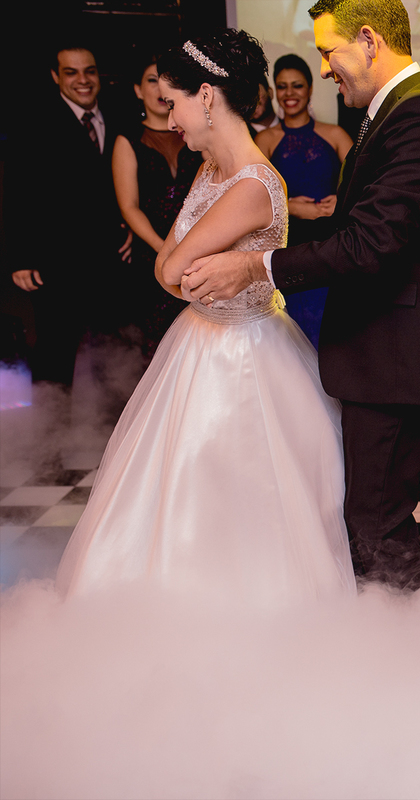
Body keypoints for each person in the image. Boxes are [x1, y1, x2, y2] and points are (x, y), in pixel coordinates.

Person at [185, 0, 420, 593]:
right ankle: (396, 650)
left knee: (375, 521)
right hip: (387, 353)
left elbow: (370, 245)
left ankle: (407, 653)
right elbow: (359, 226)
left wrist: (255, 266)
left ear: (369, 40)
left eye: (329, 51)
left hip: (403, 357)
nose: (324, 69)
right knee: (371, 516)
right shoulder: (393, 111)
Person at [55, 31, 356, 602]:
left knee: (234, 498)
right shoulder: (209, 171)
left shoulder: (254, 185)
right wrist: (177, 265)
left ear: (208, 97)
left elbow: (171, 270)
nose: (171, 121)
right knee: (168, 491)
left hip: (245, 357)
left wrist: (177, 264)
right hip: (197, 343)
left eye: (175, 103)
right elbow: (166, 273)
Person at [10, 45, 133, 390]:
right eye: (71, 72)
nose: (83, 80)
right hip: (55, 262)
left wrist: (131, 229)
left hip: (111, 259)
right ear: (55, 76)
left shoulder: (120, 113)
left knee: (114, 353)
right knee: (55, 354)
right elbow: (17, 192)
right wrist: (20, 258)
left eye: (89, 71)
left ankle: (110, 436)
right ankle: (50, 440)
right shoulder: (33, 120)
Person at [255, 53, 352, 349]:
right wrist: (290, 207)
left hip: (329, 247)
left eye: (296, 85)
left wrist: (342, 201)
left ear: (310, 89)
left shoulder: (334, 135)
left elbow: (367, 184)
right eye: (282, 86)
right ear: (274, 91)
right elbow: (250, 199)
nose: (289, 94)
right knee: (292, 338)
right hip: (288, 248)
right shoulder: (265, 141)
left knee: (331, 334)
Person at [112, 54, 205, 354]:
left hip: (199, 246)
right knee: (156, 345)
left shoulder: (195, 134)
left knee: (198, 341)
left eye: (164, 81)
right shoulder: (128, 140)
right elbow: (129, 206)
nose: (158, 88)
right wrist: (165, 248)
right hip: (152, 251)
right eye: (151, 80)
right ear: (138, 90)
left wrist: (191, 247)